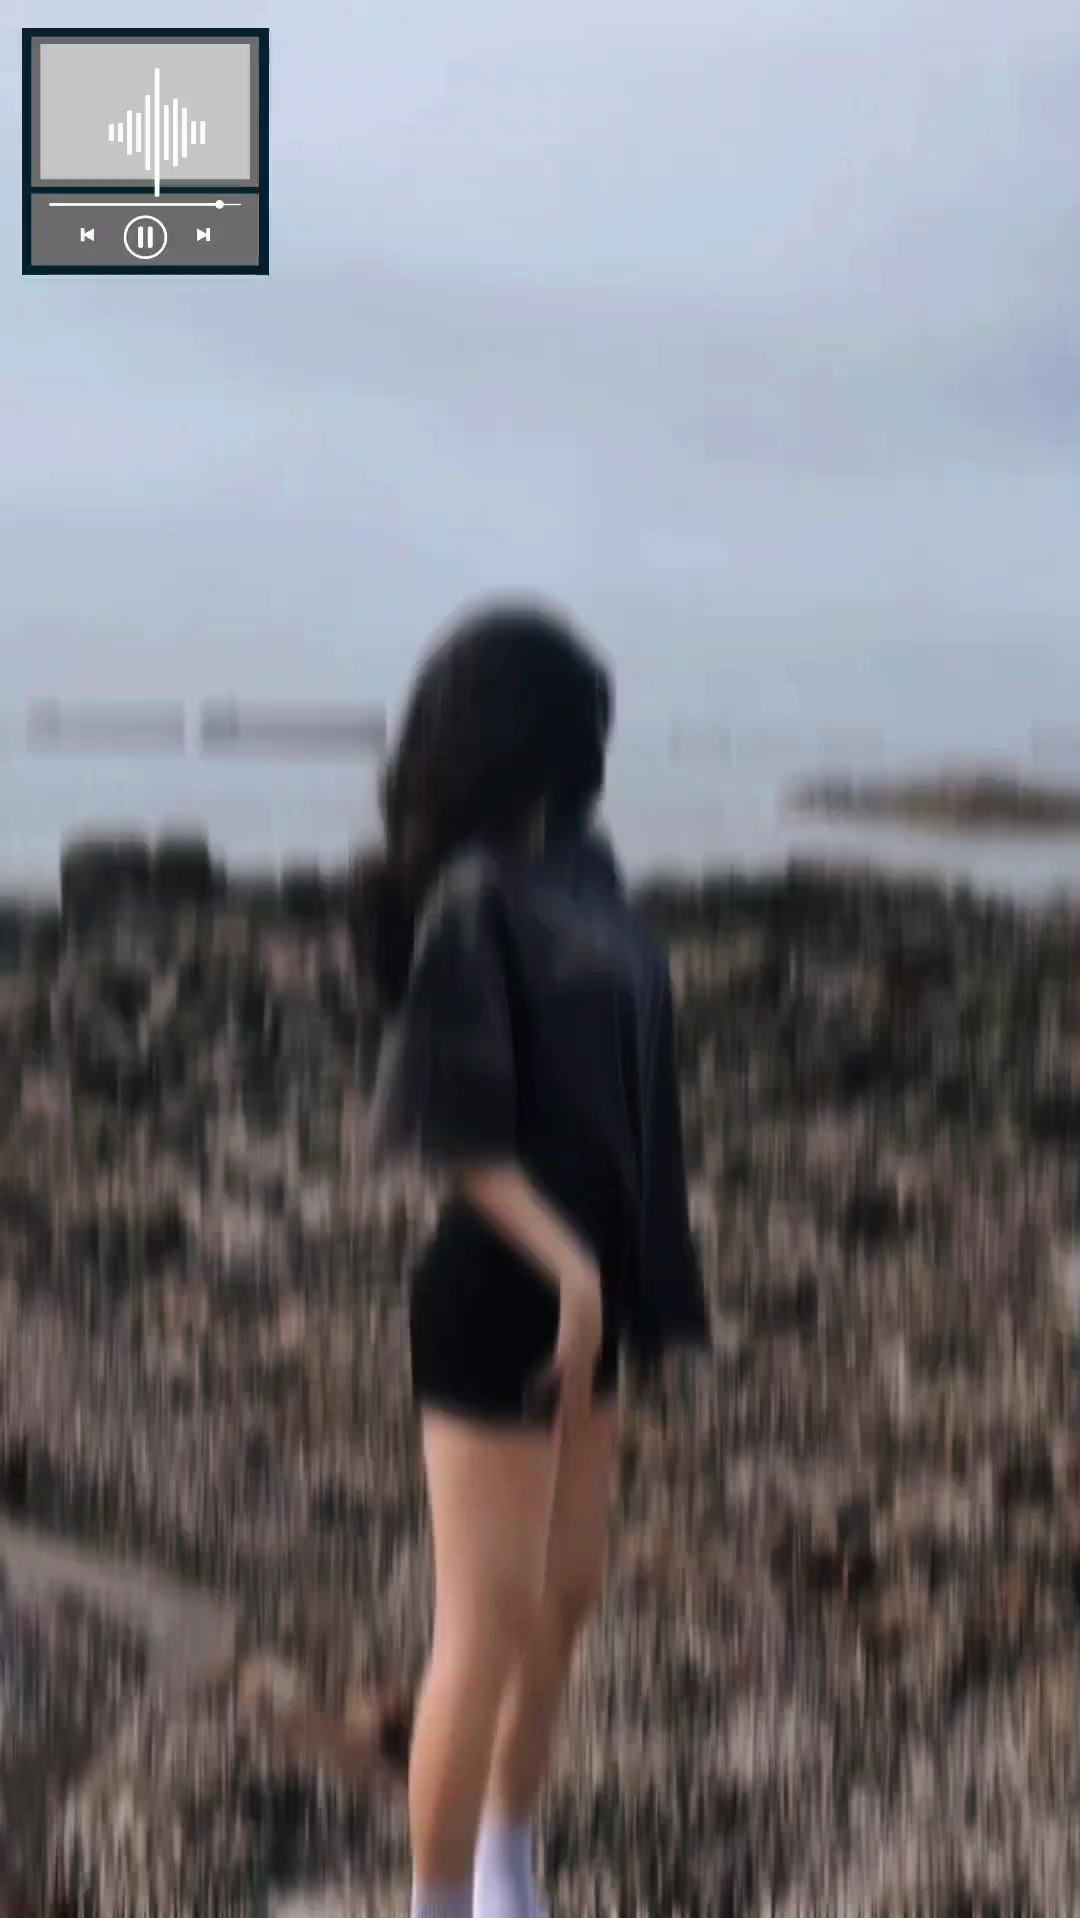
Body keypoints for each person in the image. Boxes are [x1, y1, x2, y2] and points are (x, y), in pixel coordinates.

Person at [246, 597, 710, 1916]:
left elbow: (634, 1093)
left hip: (592, 1292)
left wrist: (625, 1276)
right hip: (502, 1288)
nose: (602, 745)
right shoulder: (472, 896)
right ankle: (439, 1900)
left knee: (565, 1601)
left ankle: (511, 1873)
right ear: (533, 734)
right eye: (586, 720)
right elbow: (447, 1126)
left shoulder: (591, 880)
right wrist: (571, 1269)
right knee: (486, 1622)